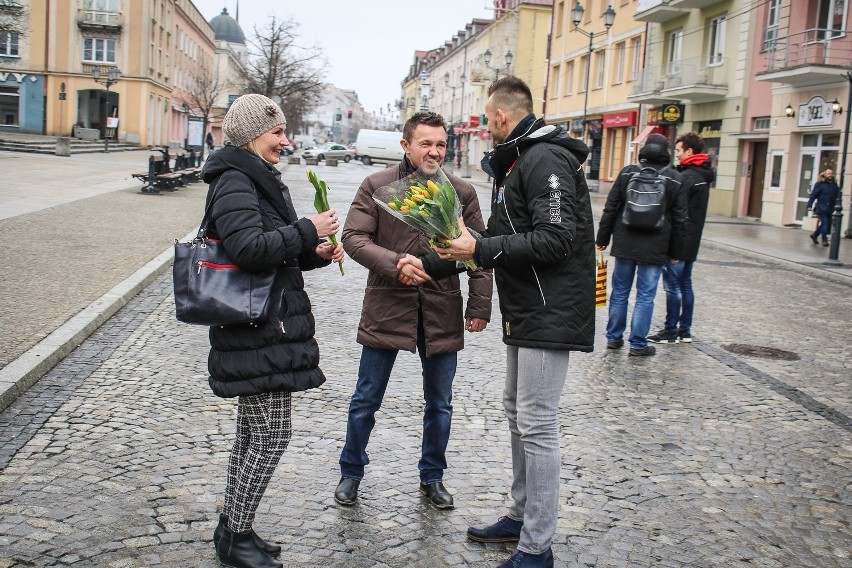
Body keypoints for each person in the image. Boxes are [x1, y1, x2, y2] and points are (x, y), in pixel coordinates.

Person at [403, 76, 596, 568]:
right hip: (529, 309)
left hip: (551, 310)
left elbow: (555, 240)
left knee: (536, 424)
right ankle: (519, 515)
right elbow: (490, 240)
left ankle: (537, 547)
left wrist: (479, 247)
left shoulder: (545, 159)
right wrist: (435, 262)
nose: (486, 128)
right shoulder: (517, 163)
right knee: (518, 413)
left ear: (502, 118)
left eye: (488, 120)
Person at [201, 94, 343, 568]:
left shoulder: (256, 179)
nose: (286, 140)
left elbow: (273, 251)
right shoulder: (236, 180)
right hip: (254, 327)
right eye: (277, 131)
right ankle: (236, 535)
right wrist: (306, 229)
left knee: (252, 435)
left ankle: (234, 527)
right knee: (270, 435)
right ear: (249, 134)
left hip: (267, 323)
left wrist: (313, 253)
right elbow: (246, 248)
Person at [334, 111, 493, 510]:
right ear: (405, 145)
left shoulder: (461, 192)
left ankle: (432, 476)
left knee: (440, 402)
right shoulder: (377, 185)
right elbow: (353, 237)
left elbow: (480, 251)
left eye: (441, 144)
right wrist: (395, 262)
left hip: (441, 307)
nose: (435, 151)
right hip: (388, 304)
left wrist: (480, 303)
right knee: (366, 397)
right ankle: (351, 471)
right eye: (426, 143)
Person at [595, 134, 687, 357]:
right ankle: (637, 344)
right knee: (646, 296)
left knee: (620, 293)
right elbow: (680, 219)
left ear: (644, 151)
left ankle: (614, 338)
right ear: (666, 152)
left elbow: (611, 207)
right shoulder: (674, 178)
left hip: (625, 243)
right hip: (655, 247)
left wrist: (602, 239)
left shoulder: (627, 172)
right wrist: (676, 253)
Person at [647, 131, 713, 345]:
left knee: (672, 286)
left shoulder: (687, 178)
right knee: (685, 285)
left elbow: (676, 210)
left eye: (678, 150)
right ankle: (685, 330)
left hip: (681, 239)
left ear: (689, 151)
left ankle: (670, 331)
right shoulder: (702, 175)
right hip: (693, 239)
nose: (676, 154)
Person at [807, 169, 839, 247]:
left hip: (831, 208)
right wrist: (809, 205)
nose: (830, 175)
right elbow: (813, 195)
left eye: (831, 173)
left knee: (826, 224)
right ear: (825, 175)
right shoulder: (819, 184)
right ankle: (824, 240)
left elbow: (837, 196)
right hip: (821, 207)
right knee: (825, 223)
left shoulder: (835, 185)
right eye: (828, 173)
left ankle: (815, 235)